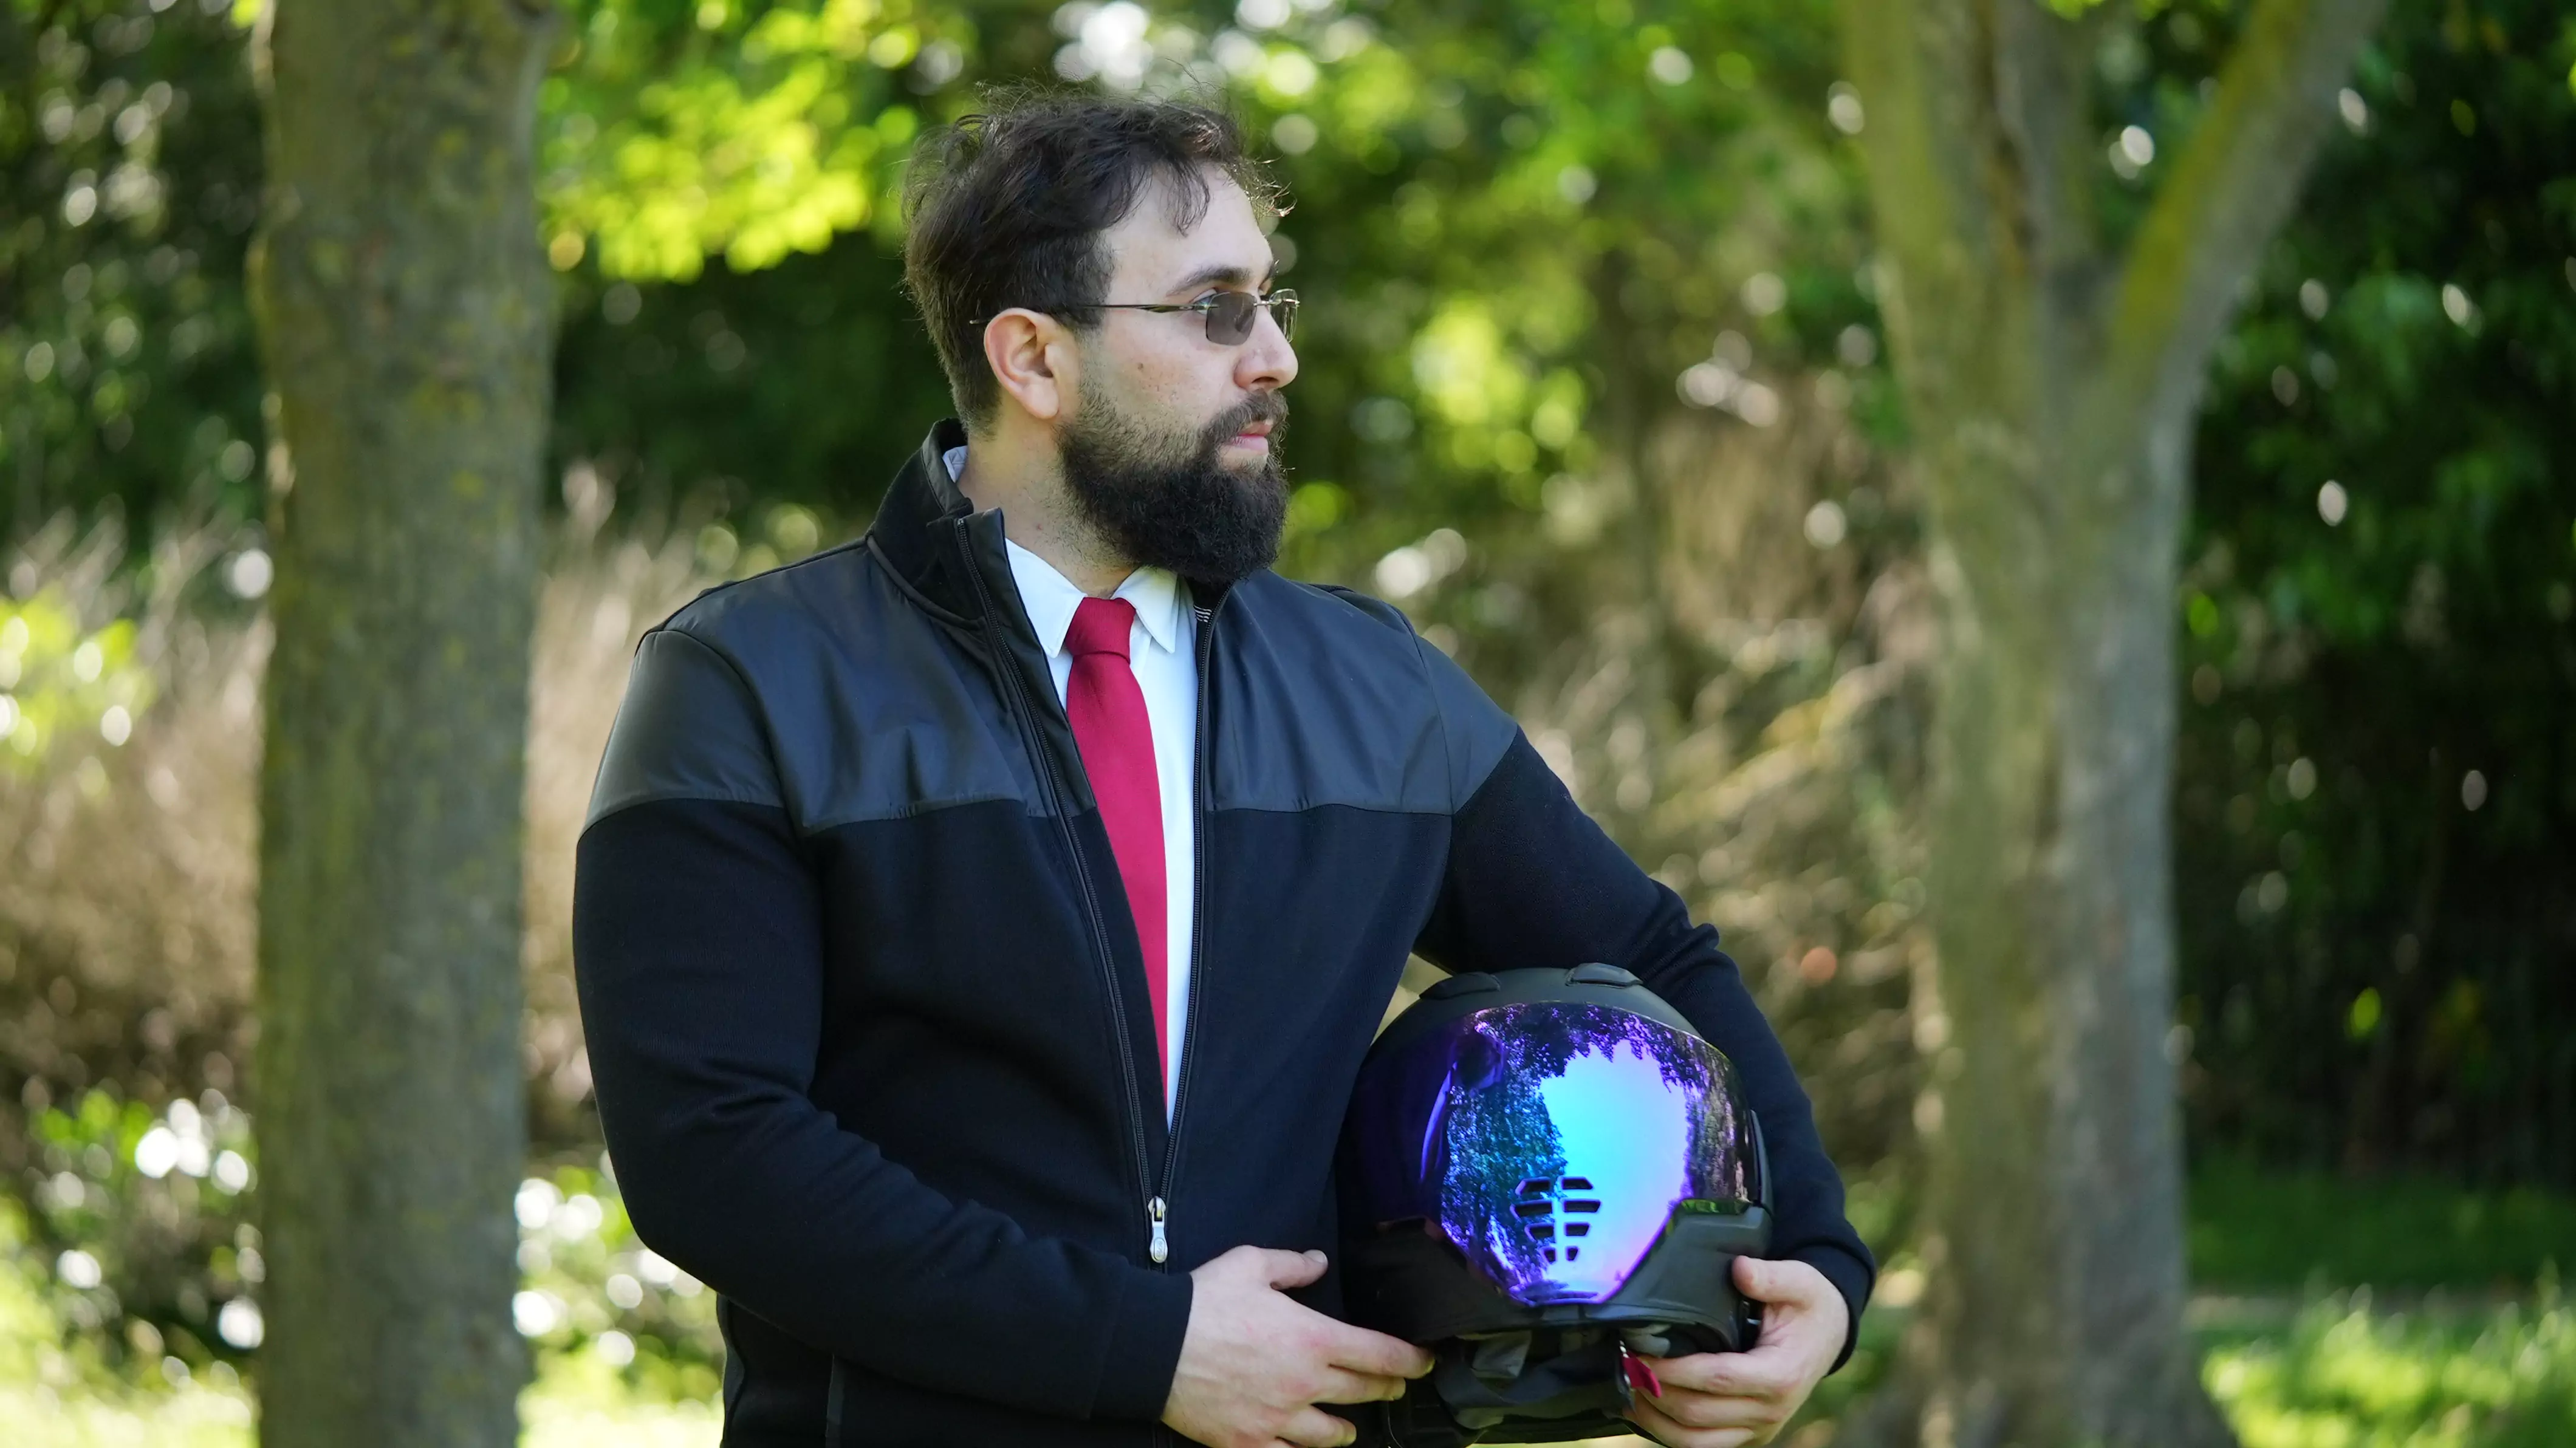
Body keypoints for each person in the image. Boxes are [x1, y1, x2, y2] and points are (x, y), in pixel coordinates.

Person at [572, 90, 1873, 1448]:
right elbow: (712, 1153)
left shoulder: (1374, 686)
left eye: (1269, 303)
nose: (1272, 358)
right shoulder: (747, 682)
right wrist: (1142, 1347)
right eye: (1211, 309)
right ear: (1032, 358)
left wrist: (1818, 1278)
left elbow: (1654, 963)